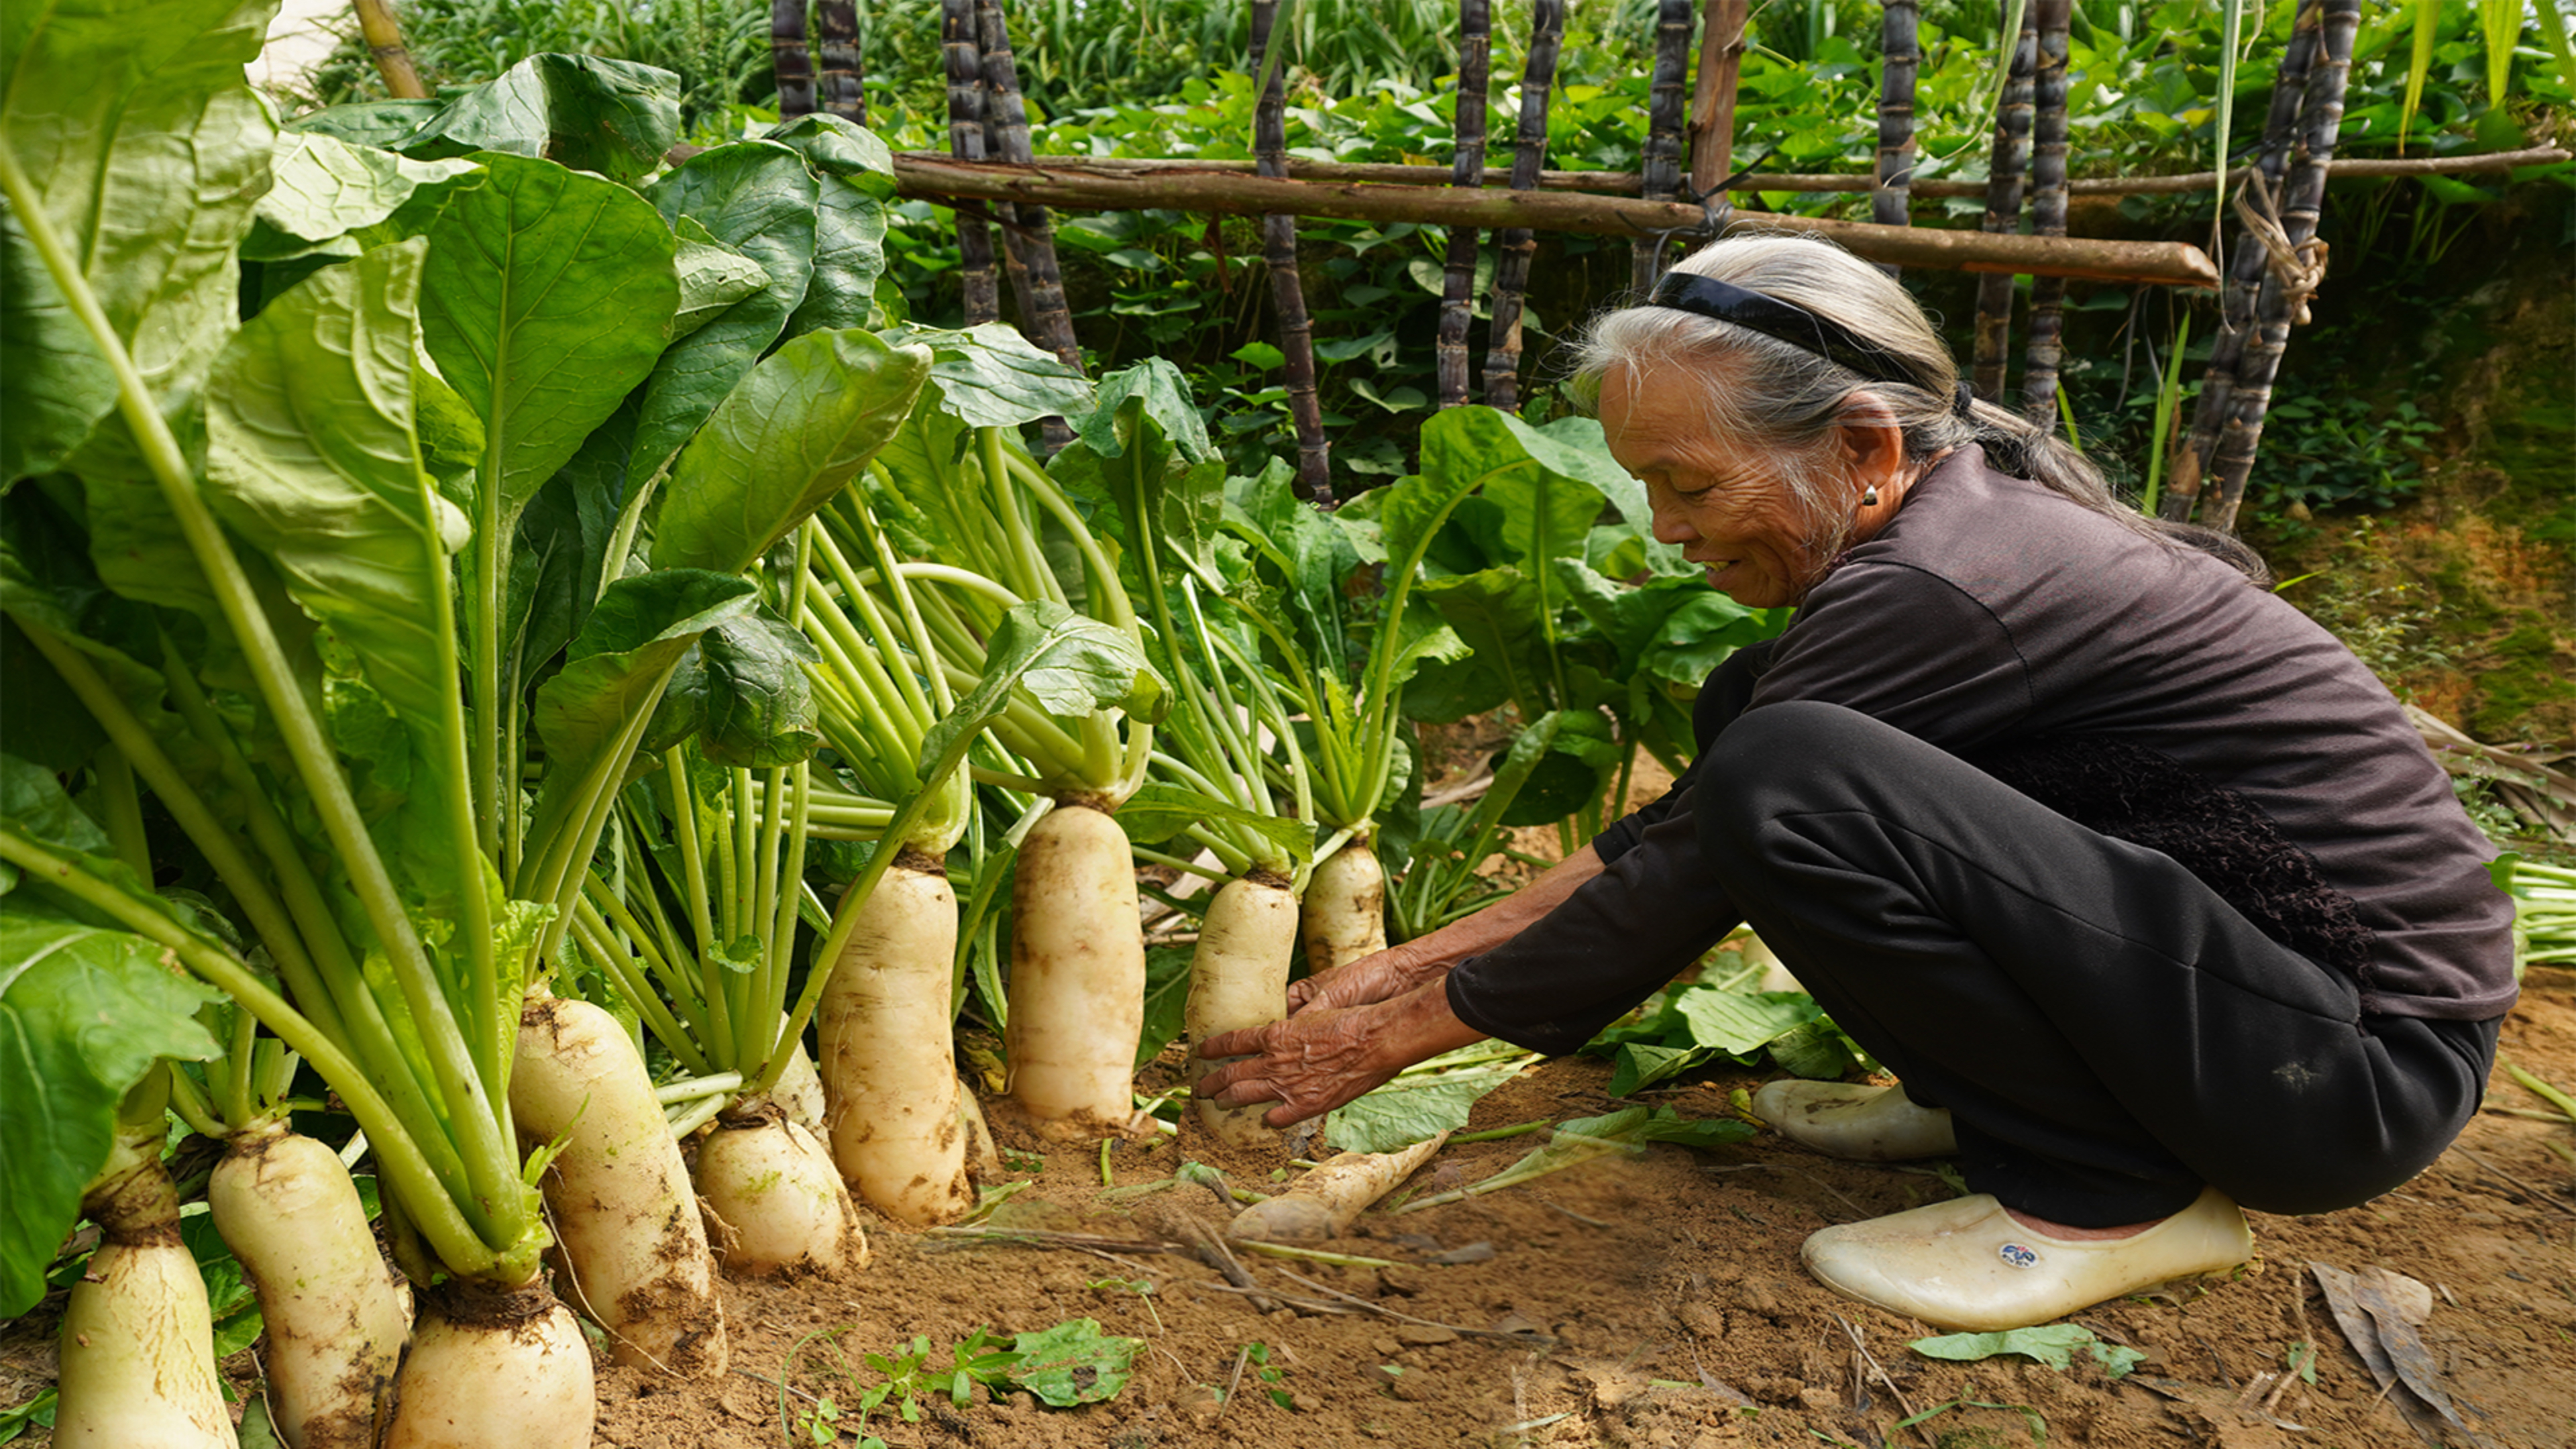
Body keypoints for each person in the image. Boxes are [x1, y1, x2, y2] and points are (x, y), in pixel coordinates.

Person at [1195, 233, 2516, 1331]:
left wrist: (1407, 1028)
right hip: (2253, 1013)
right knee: (1754, 716)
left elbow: (1711, 848)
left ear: (1865, 450)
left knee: (1785, 765)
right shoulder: (1954, 536)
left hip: (2342, 1077)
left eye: (1686, 483)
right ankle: (1994, 1106)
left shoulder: (1943, 583)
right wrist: (1413, 962)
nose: (1665, 529)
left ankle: (2113, 1193)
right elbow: (1683, 828)